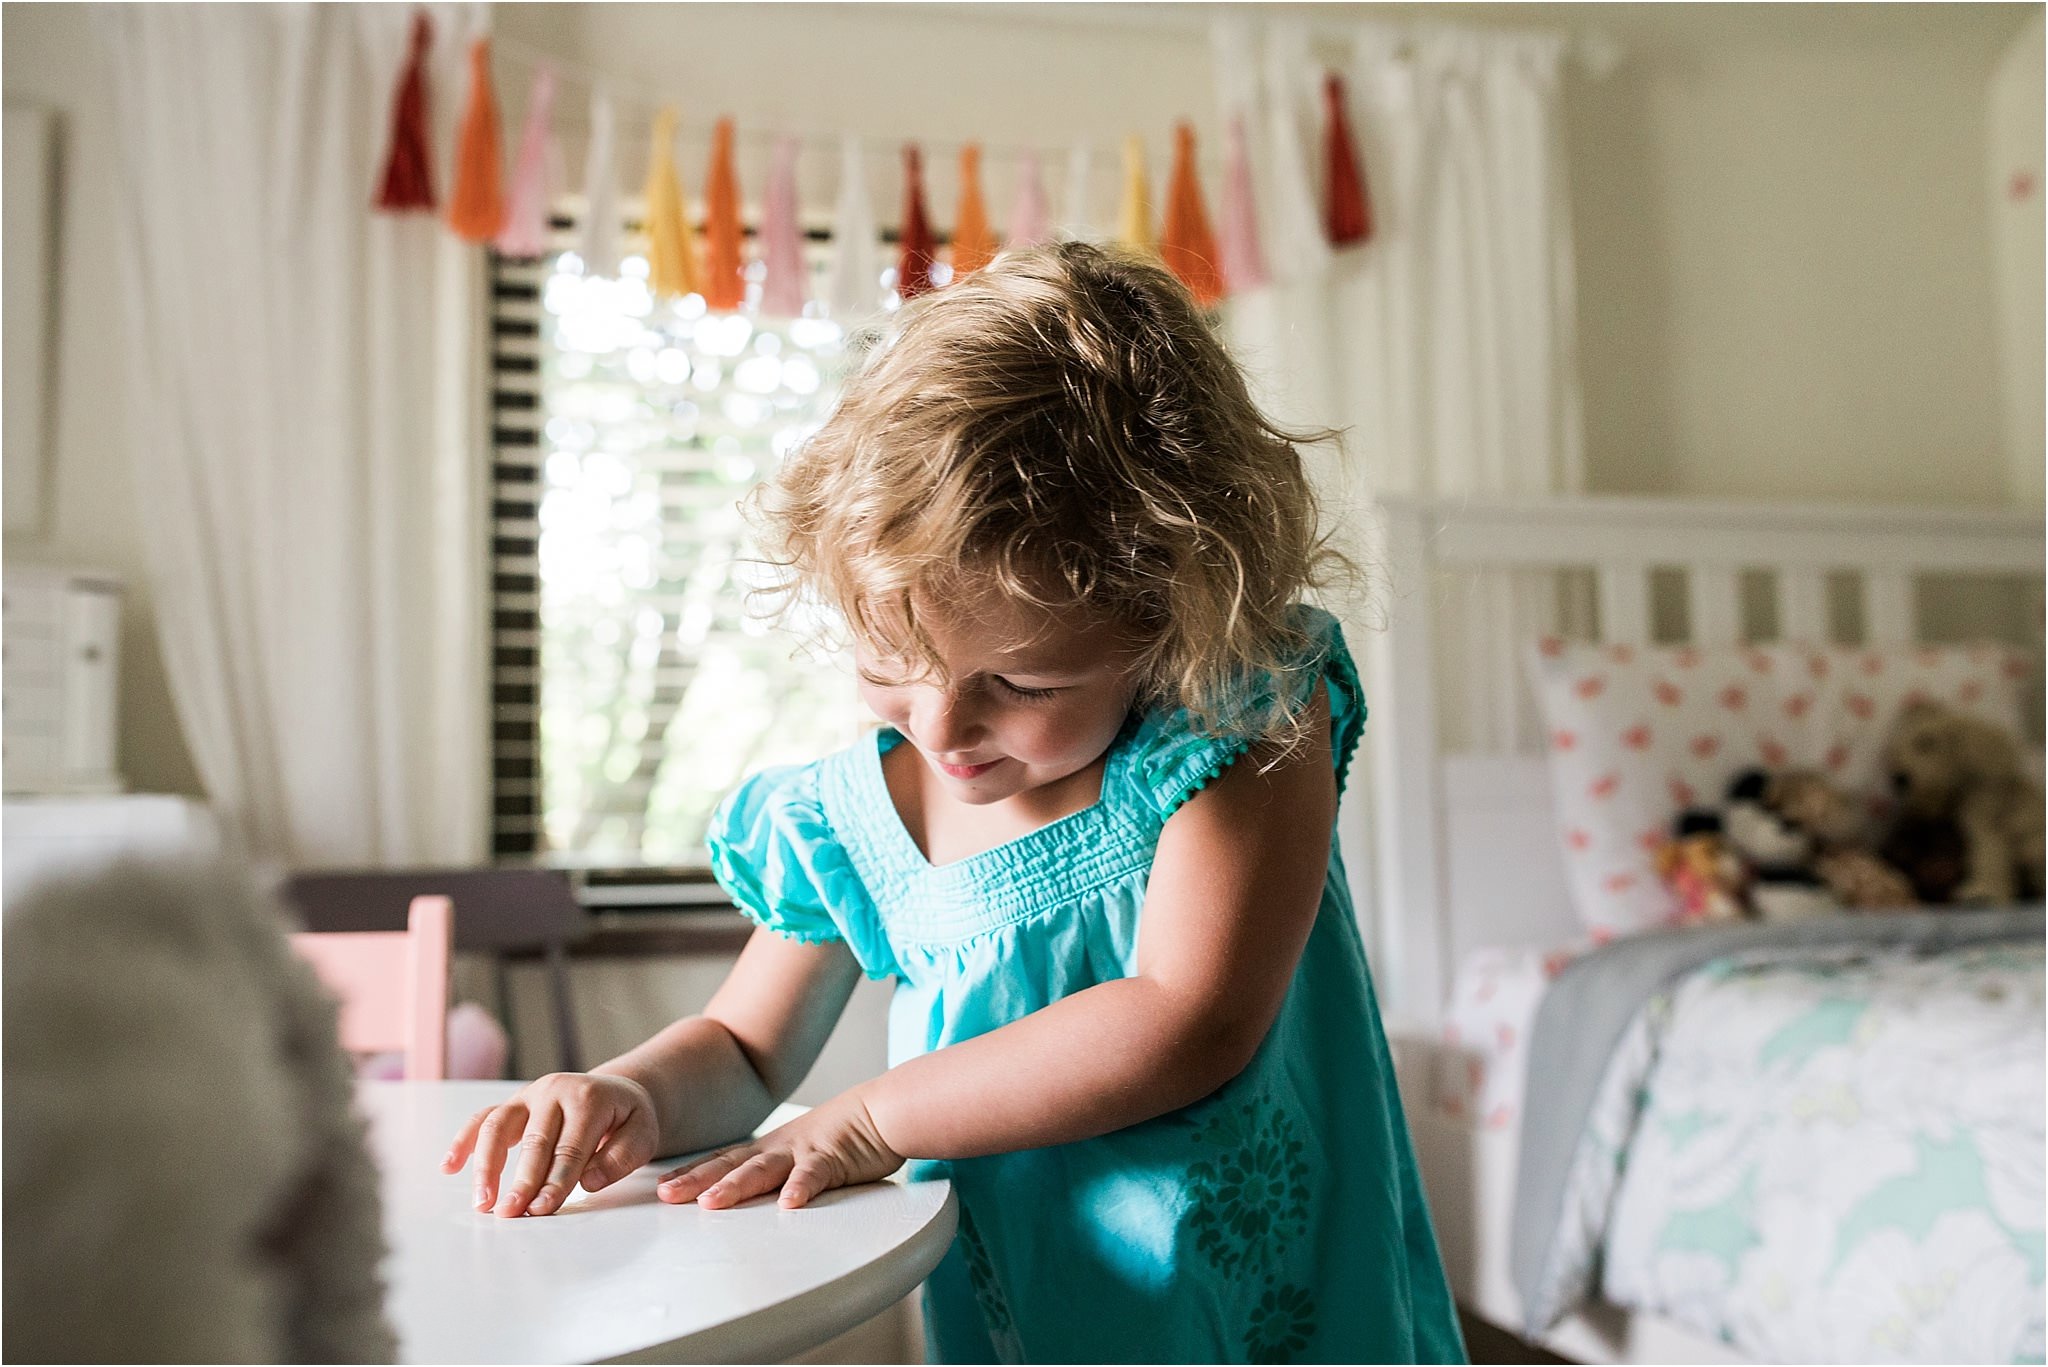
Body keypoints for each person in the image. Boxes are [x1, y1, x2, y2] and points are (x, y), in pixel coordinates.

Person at [444, 242, 1464, 1364]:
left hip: (1275, 1309)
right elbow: (742, 1046)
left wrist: (871, 1117)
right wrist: (627, 1090)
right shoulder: (848, 818)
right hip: (1032, 1307)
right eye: (889, 663)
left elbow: (1187, 1016)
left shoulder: (1236, 718)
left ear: (1168, 617)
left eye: (1019, 685)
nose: (939, 727)